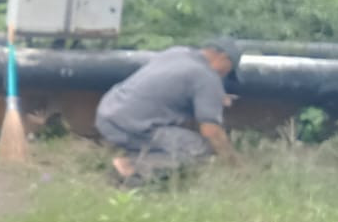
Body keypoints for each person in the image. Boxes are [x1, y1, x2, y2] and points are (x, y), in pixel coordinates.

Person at [95, 38, 241, 185]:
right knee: (201, 149)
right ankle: (131, 166)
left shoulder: (176, 53)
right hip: (132, 126)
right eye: (229, 70)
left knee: (174, 141)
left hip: (107, 114)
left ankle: (125, 159)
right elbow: (211, 132)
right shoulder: (207, 76)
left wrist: (213, 97)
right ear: (223, 58)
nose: (225, 76)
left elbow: (167, 87)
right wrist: (233, 164)